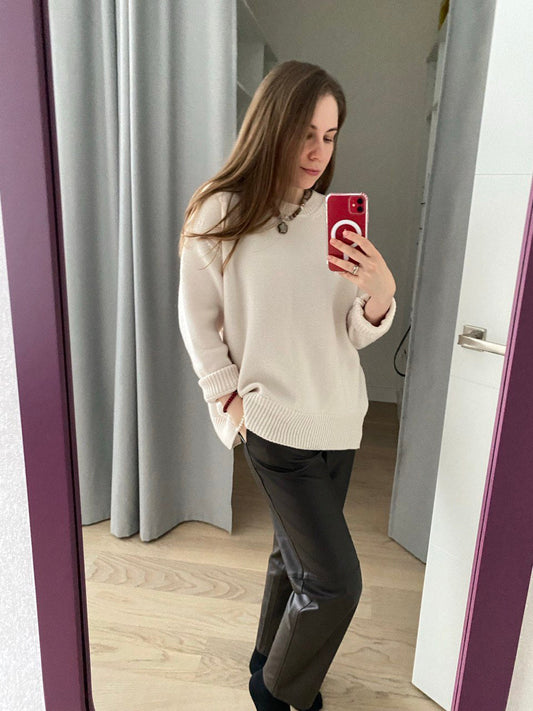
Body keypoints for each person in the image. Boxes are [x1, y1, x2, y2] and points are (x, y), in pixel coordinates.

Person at [177, 60, 396, 711]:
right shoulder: (221, 210)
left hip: (340, 418)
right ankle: (275, 694)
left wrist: (379, 297)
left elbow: (350, 332)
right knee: (334, 583)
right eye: (305, 132)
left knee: (292, 557)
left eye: (329, 136)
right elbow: (198, 321)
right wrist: (228, 401)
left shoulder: (333, 219)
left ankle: (265, 659)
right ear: (271, 125)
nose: (316, 151)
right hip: (272, 421)